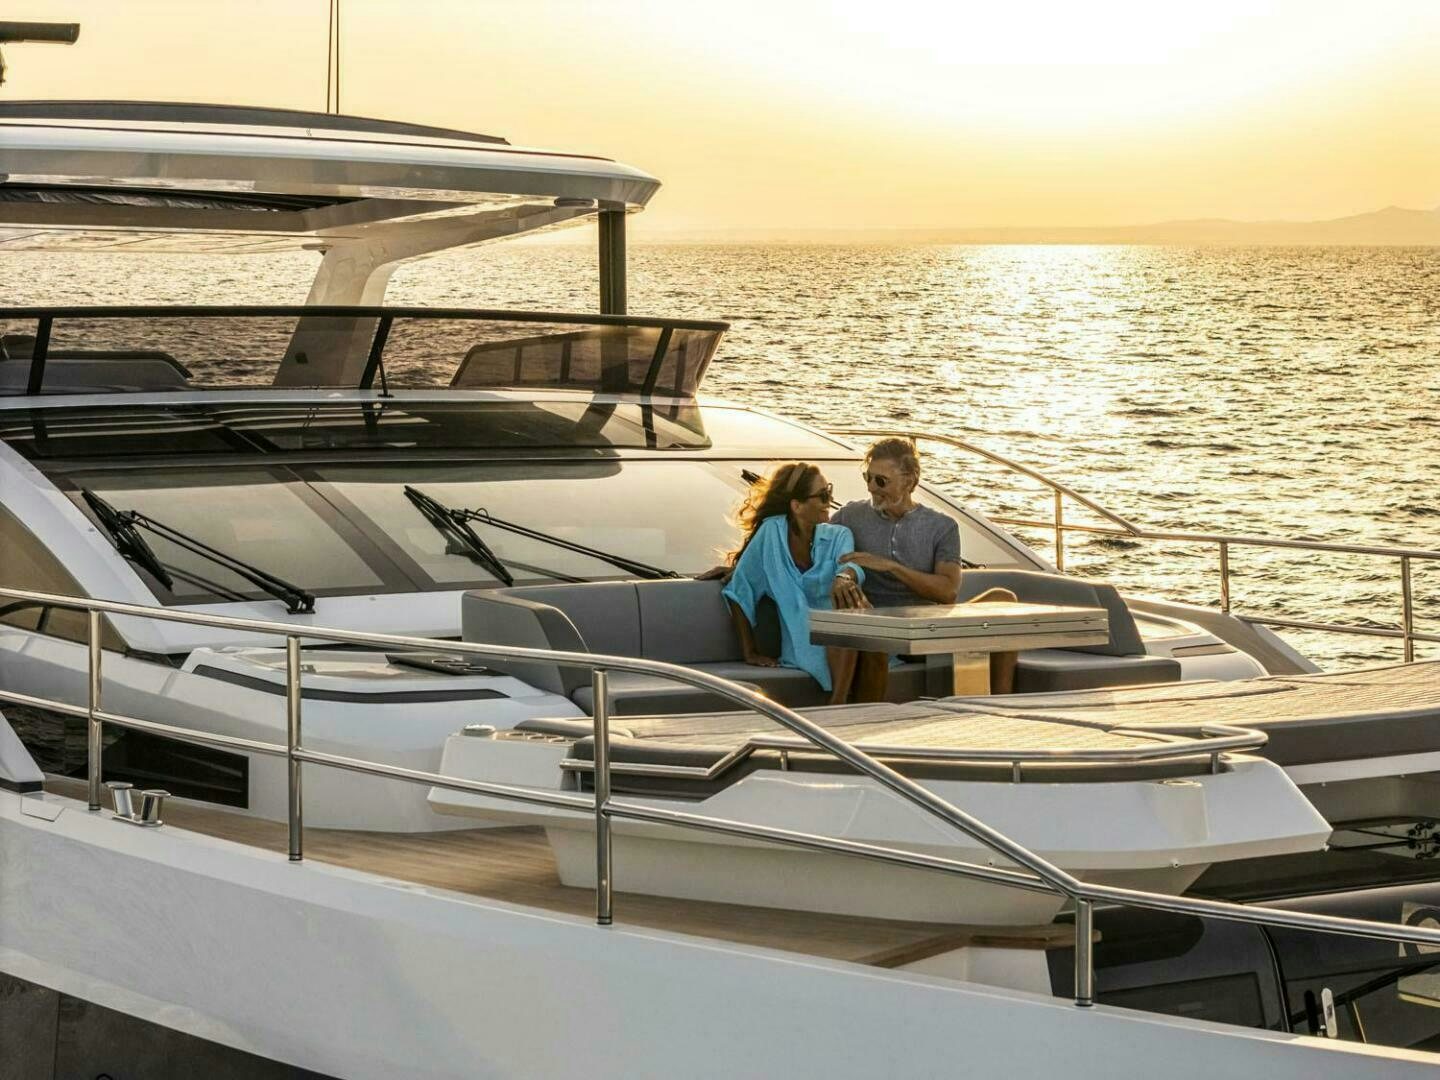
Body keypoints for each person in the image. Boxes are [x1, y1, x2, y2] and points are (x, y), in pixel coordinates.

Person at [833, 437, 1018, 699]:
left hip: (930, 627)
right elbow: (816, 548)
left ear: (909, 481)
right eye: (868, 478)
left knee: (1003, 600)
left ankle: (1001, 703)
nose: (872, 488)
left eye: (881, 481)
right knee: (872, 632)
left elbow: (947, 592)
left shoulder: (941, 526)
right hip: (878, 626)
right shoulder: (850, 516)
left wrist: (891, 567)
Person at [721, 462, 869, 705]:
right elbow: (739, 590)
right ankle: (839, 707)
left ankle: (838, 703)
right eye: (822, 496)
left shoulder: (839, 535)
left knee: (847, 609)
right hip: (802, 647)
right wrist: (750, 653)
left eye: (829, 491)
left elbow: (850, 565)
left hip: (847, 644)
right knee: (843, 619)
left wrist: (845, 578)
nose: (829, 501)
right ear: (796, 506)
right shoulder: (772, 534)